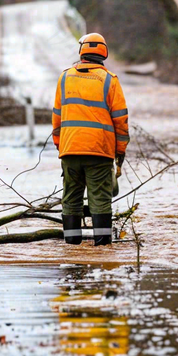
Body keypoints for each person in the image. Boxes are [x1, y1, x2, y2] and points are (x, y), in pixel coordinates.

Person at [52, 33, 129, 246]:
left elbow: (56, 118)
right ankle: (103, 247)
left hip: (70, 151)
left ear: (82, 52)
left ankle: (72, 246)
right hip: (99, 152)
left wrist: (61, 146)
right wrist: (119, 153)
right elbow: (121, 121)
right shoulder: (110, 81)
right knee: (101, 200)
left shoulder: (65, 77)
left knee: (71, 200)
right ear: (104, 53)